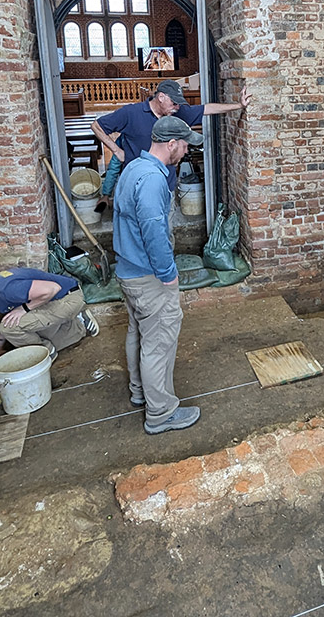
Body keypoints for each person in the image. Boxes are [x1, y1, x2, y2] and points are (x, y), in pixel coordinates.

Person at [113, 116, 203, 434]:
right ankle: (161, 412)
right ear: (171, 144)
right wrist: (168, 274)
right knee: (159, 341)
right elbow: (153, 229)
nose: (185, 152)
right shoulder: (152, 179)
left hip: (127, 270)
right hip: (148, 275)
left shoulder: (134, 168)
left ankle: (140, 392)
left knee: (138, 332)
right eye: (184, 146)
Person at [92, 79, 250, 208]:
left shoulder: (177, 112)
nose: (177, 107)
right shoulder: (131, 113)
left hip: (165, 187)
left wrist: (239, 106)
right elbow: (97, 126)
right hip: (137, 187)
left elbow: (206, 109)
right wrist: (116, 150)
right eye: (174, 102)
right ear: (161, 97)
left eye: (179, 103)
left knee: (163, 233)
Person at [0, 268, 100, 361]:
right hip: (56, 301)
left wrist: (23, 309)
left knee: (10, 329)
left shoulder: (5, 288)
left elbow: (52, 289)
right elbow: (11, 315)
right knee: (38, 337)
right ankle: (80, 322)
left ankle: (46, 354)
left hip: (68, 298)